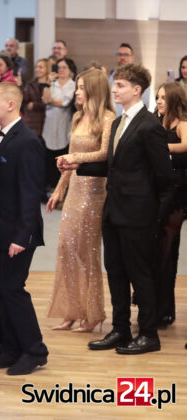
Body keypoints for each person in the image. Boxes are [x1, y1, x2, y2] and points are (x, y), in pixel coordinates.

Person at [63, 64, 173, 355]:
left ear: (137, 90)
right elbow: (114, 167)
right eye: (115, 83)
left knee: (141, 275)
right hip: (113, 211)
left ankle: (148, 334)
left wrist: (155, 218)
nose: (114, 89)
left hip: (138, 215)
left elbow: (165, 179)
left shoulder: (149, 125)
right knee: (116, 272)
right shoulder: (118, 123)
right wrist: (78, 165)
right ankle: (120, 329)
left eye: (121, 85)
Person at [0, 82, 49, 375]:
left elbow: (30, 193)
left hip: (17, 233)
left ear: (10, 105)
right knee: (1, 290)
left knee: (12, 290)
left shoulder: (27, 141)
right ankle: (10, 349)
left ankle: (35, 350)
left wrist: (21, 236)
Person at [46, 69, 116, 332]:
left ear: (95, 90)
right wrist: (59, 190)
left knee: (87, 252)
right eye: (77, 87)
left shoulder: (108, 118)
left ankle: (93, 313)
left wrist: (75, 159)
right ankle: (72, 310)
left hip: (95, 191)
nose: (77, 92)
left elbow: (104, 154)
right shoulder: (77, 117)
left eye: (82, 87)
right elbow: (70, 157)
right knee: (66, 248)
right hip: (75, 189)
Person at [153, 82, 187, 328]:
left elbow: (186, 146)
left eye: (164, 97)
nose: (159, 101)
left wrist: (159, 148)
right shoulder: (157, 122)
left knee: (167, 250)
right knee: (157, 250)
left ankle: (164, 311)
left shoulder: (182, 124)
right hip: (158, 191)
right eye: (158, 97)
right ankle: (159, 308)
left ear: (174, 99)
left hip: (177, 195)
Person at [42, 57, 76, 191]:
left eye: (64, 67)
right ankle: (50, 187)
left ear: (70, 70)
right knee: (49, 157)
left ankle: (62, 188)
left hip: (64, 124)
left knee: (62, 156)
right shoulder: (52, 84)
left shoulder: (73, 85)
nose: (61, 70)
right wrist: (49, 82)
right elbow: (46, 99)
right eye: (59, 67)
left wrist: (52, 100)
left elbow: (64, 102)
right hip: (50, 125)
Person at [108, 43, 150, 115]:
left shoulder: (140, 76)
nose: (122, 57)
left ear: (132, 57)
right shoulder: (112, 77)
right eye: (120, 54)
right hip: (114, 118)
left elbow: (145, 103)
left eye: (126, 55)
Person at [23, 58, 50, 139]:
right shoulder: (30, 84)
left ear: (47, 69)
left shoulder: (53, 85)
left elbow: (49, 103)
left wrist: (35, 105)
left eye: (41, 67)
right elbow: (25, 103)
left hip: (48, 122)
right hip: (32, 123)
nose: (37, 69)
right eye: (36, 67)